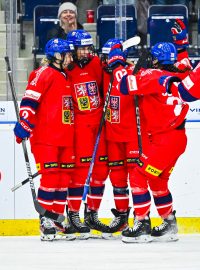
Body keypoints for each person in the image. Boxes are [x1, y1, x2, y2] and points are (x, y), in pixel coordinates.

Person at [107, 19, 192, 243]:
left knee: (137, 174)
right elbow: (185, 63)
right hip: (177, 138)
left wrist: (116, 60)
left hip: (163, 140)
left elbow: (124, 85)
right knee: (158, 181)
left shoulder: (151, 76)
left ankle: (142, 223)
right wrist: (181, 44)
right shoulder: (181, 73)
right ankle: (169, 224)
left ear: (156, 60)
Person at [14, 38, 76, 241]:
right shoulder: (43, 73)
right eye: (67, 53)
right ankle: (45, 220)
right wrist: (24, 123)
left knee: (63, 179)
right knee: (50, 178)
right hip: (46, 137)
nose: (70, 57)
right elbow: (30, 100)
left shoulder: (64, 75)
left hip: (64, 137)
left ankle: (57, 219)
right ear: (57, 56)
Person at [65, 29, 110, 238]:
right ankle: (72, 213)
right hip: (80, 125)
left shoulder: (96, 63)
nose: (85, 52)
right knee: (80, 170)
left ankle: (92, 212)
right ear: (72, 50)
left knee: (101, 170)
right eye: (81, 48)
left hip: (99, 123)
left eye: (87, 48)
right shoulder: (65, 69)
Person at [101, 38, 143, 234]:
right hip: (112, 136)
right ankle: (122, 216)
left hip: (132, 135)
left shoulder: (132, 72)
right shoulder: (102, 72)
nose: (107, 61)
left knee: (136, 179)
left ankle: (141, 218)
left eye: (111, 57)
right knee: (117, 179)